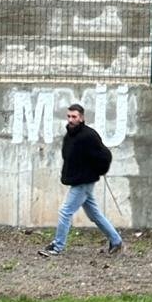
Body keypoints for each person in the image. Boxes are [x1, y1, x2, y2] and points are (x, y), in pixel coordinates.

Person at [38, 103, 124, 257]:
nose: (71, 120)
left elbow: (105, 155)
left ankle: (57, 247)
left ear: (82, 118)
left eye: (74, 117)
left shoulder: (88, 136)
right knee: (94, 214)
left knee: (65, 212)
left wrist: (97, 170)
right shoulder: (70, 135)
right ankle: (116, 241)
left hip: (83, 181)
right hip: (78, 180)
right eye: (69, 116)